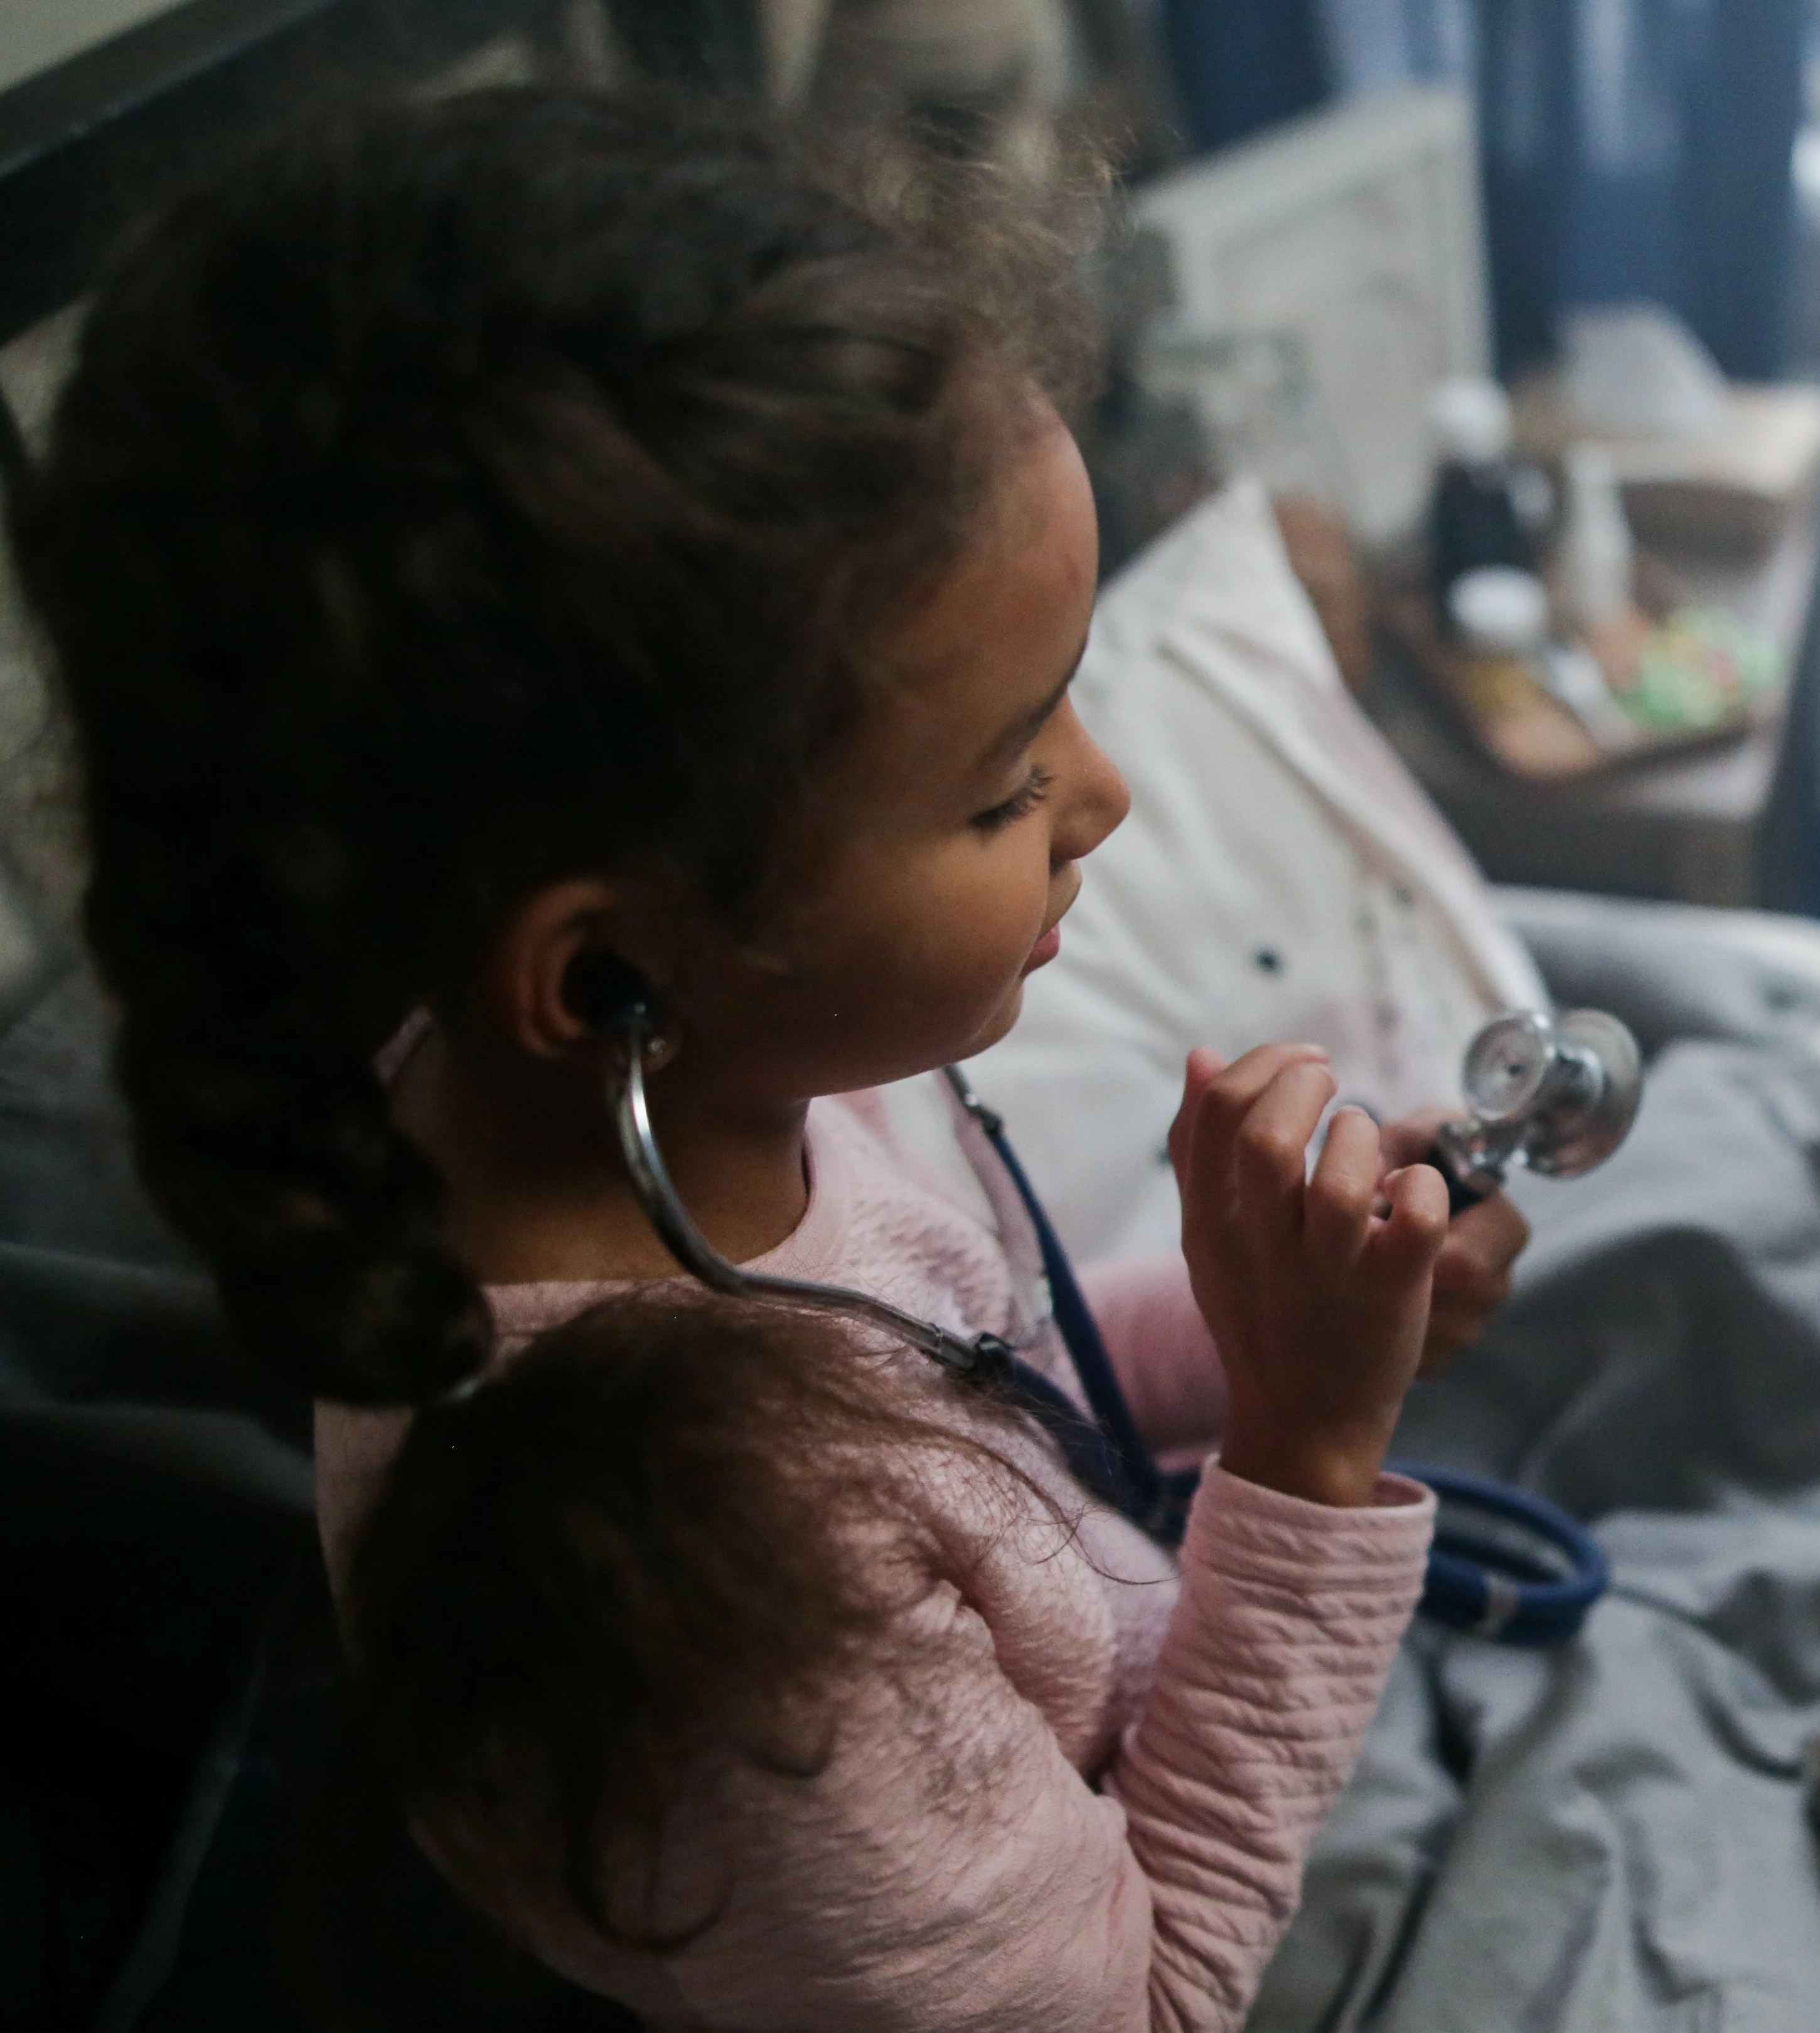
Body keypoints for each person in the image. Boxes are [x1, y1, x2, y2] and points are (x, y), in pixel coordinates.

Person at [14, 90, 1526, 2029]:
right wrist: (1308, 1463)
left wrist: (1273, 1326)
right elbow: (1139, 2007)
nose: (1107, 795)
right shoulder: (703, 1630)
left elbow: (963, 1388)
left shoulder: (660, 1092)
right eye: (1002, 785)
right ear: (600, 969)